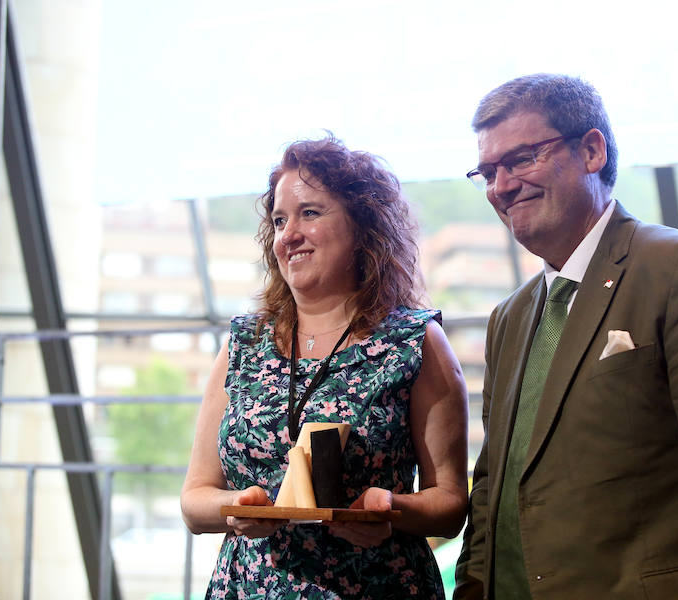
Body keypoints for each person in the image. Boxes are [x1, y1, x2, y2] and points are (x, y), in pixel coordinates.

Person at [453, 74, 678, 599]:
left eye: (522, 159)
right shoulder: (510, 316)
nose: (502, 186)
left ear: (591, 150)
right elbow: (494, 482)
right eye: (489, 171)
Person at [181, 136, 469, 599]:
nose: (288, 234)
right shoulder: (244, 343)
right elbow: (195, 499)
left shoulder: (415, 341)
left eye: (309, 213)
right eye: (279, 220)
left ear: (363, 227)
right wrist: (236, 507)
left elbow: (451, 503)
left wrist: (393, 511)